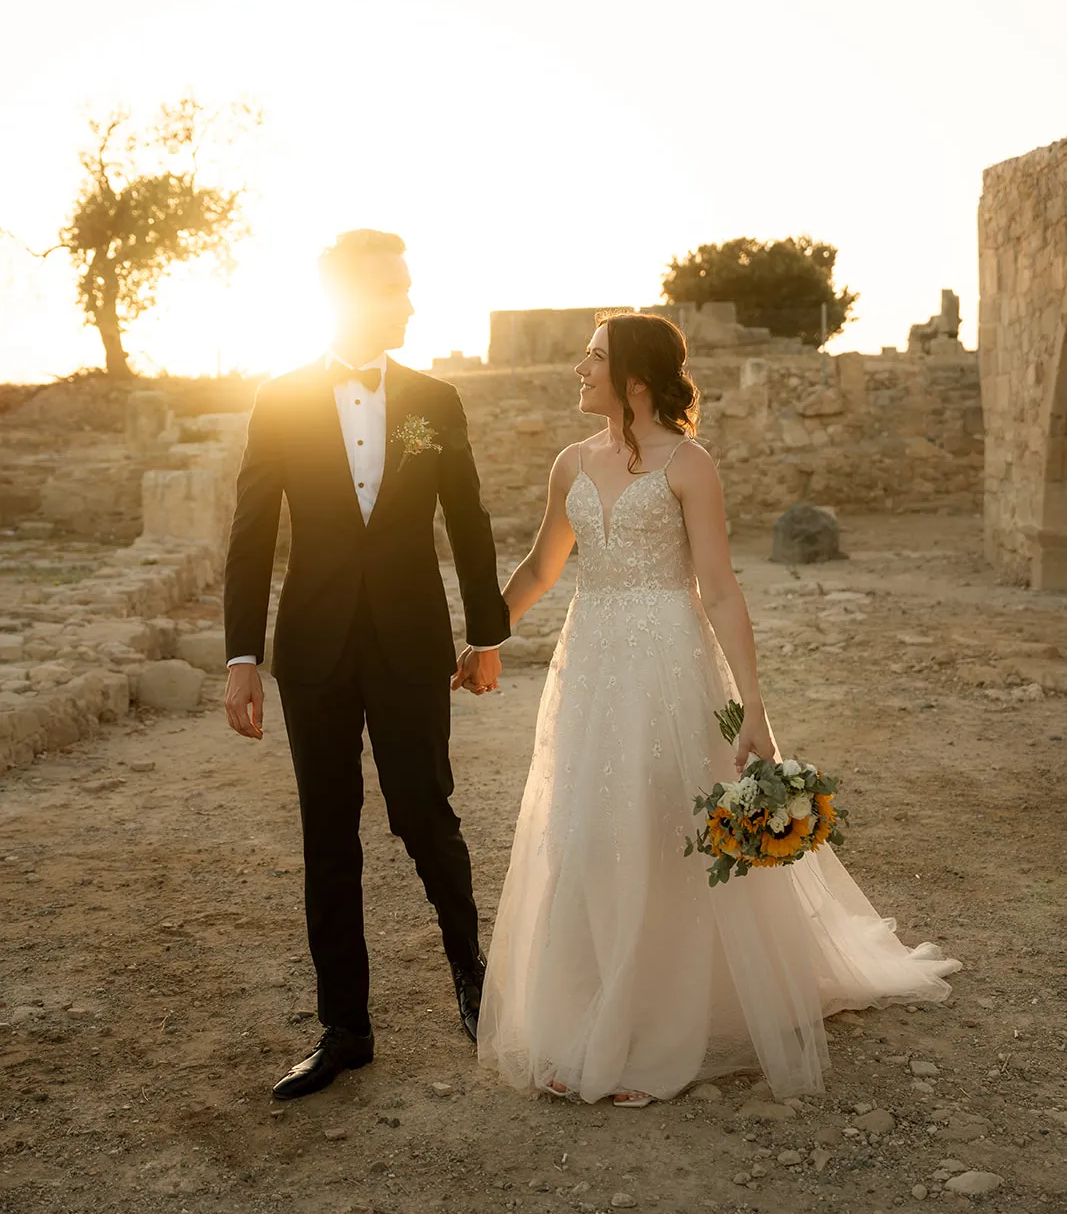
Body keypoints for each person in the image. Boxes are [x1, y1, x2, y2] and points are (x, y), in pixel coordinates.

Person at [477, 311, 960, 1106]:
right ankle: (595, 1016)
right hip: (590, 665)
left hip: (669, 664)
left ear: (634, 378)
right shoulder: (570, 462)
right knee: (586, 833)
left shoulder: (688, 463)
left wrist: (754, 710)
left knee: (664, 832)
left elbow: (721, 590)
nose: (578, 370)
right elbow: (539, 567)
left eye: (592, 358)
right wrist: (483, 637)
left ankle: (657, 1035)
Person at [223, 228, 510, 1100]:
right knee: (328, 833)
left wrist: (486, 636)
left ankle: (474, 982)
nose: (410, 302)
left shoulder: (434, 400)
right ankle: (345, 1028)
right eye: (393, 288)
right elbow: (251, 533)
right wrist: (242, 656)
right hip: (312, 648)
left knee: (425, 815)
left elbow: (466, 519)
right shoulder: (278, 399)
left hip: (410, 640)